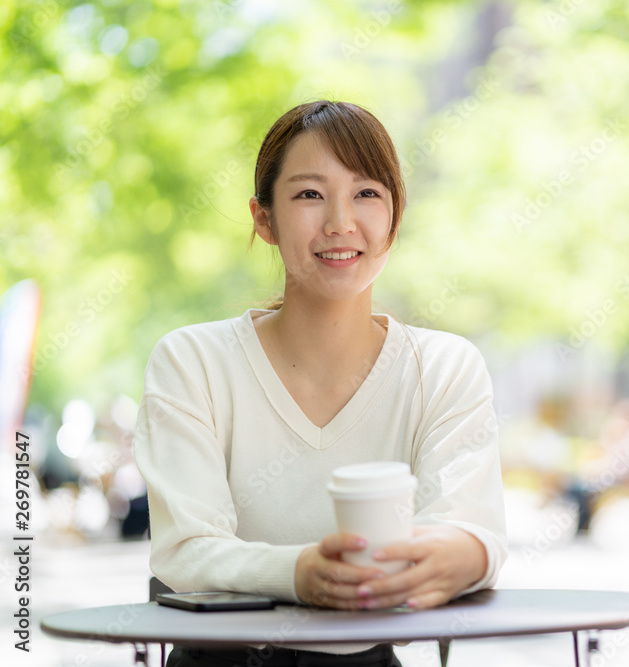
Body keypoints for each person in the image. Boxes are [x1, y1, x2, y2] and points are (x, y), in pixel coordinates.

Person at [133, 100, 508, 667]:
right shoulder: (194, 362)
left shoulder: (445, 367)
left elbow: (469, 525)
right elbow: (185, 552)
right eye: (310, 194)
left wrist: (463, 553)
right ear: (264, 219)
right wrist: (301, 573)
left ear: (394, 217)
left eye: (367, 194)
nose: (340, 223)